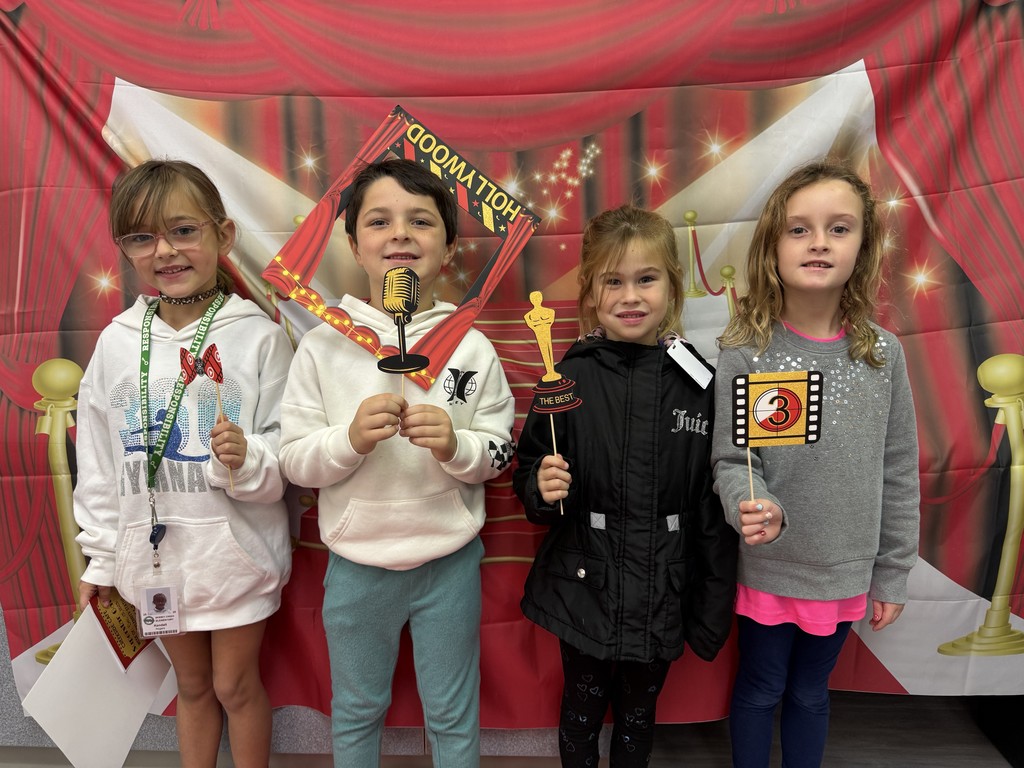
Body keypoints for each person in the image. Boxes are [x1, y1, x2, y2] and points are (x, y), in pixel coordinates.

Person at [279, 158, 516, 768]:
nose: (401, 235)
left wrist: (455, 446)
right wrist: (349, 440)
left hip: (450, 561)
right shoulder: (323, 344)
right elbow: (294, 460)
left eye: (422, 221)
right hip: (358, 566)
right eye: (379, 222)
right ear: (355, 245)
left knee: (452, 712)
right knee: (356, 710)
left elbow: (499, 449)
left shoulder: (471, 345)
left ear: (449, 245)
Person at [74, 160, 294, 768]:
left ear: (223, 236)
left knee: (234, 686)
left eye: (183, 231)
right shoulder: (116, 342)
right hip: (154, 560)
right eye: (142, 238)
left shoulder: (258, 337)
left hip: (236, 554)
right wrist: (100, 553)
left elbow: (287, 453)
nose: (164, 251)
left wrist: (249, 459)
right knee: (192, 689)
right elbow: (95, 455)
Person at [711, 159, 920, 768]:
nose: (820, 242)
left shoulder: (884, 355)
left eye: (839, 227)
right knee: (760, 688)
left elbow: (900, 469)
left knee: (810, 692)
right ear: (772, 246)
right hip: (769, 568)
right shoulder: (744, 350)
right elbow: (731, 459)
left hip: (845, 570)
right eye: (799, 229)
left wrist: (893, 572)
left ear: (865, 244)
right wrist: (752, 503)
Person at [514, 205, 738, 768]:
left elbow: (712, 508)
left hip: (662, 589)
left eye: (646, 279)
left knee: (638, 723)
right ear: (590, 291)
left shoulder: (699, 386)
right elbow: (530, 471)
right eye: (613, 281)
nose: (630, 296)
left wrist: (712, 606)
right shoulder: (566, 378)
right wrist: (542, 485)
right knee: (581, 715)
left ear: (673, 287)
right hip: (584, 584)